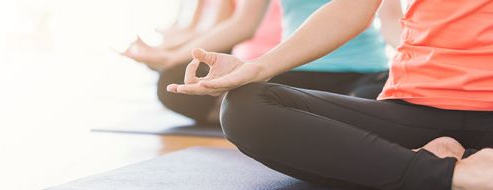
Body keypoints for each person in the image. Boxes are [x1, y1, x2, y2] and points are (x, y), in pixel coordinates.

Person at [167, 0, 493, 190]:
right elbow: (352, 7)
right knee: (246, 107)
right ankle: (454, 174)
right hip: (413, 108)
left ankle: (427, 163)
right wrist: (256, 67)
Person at [124, 0, 400, 125]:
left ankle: (323, 121)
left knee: (373, 101)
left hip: (363, 74)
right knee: (234, 102)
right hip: (295, 71)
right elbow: (242, 24)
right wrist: (171, 57)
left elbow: (391, 22)